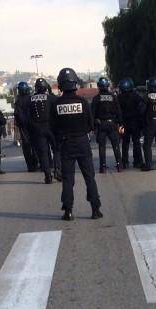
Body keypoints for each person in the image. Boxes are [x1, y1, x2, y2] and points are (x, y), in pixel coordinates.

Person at [50, 67, 102, 221]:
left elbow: (53, 127)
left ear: (60, 84)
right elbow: (90, 125)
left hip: (66, 143)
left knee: (67, 179)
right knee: (89, 177)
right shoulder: (83, 102)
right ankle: (95, 209)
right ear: (75, 83)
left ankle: (68, 211)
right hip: (82, 142)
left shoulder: (57, 105)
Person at [29, 78, 61, 183]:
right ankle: (57, 170)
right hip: (51, 127)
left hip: (37, 129)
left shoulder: (31, 99)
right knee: (56, 149)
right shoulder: (51, 98)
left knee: (43, 152)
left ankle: (47, 175)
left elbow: (28, 116)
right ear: (46, 87)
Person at [91, 77, 123, 173]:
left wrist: (93, 126)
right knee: (115, 145)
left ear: (99, 86)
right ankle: (119, 165)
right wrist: (120, 123)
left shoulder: (96, 98)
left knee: (102, 146)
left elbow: (92, 113)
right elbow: (118, 111)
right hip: (112, 124)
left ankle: (103, 167)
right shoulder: (113, 97)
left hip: (101, 124)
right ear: (107, 86)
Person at [118, 78, 144, 169]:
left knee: (125, 143)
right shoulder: (137, 96)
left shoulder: (119, 98)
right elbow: (141, 110)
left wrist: (119, 123)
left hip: (123, 124)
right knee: (136, 142)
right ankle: (138, 161)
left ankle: (124, 162)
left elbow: (117, 111)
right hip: (135, 123)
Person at [15, 81, 39, 172]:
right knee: (35, 145)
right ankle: (36, 163)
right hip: (33, 125)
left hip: (23, 126)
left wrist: (18, 124)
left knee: (26, 147)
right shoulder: (32, 99)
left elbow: (16, 114)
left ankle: (30, 166)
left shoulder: (18, 101)